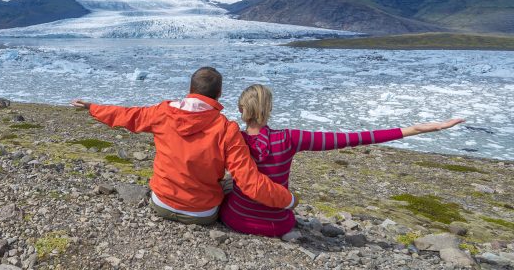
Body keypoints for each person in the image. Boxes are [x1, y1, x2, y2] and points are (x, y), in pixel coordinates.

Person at [219, 83, 465, 237]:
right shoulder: (290, 138)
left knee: (230, 187)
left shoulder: (234, 139)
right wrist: (415, 129)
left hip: (237, 219)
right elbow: (350, 138)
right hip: (278, 224)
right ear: (268, 108)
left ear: (242, 110)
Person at [71, 67, 296, 225]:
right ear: (219, 94)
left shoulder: (163, 113)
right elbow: (250, 182)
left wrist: (93, 107)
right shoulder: (227, 129)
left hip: (160, 202)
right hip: (202, 213)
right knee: (231, 183)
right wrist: (289, 199)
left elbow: (128, 115)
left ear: (190, 89)